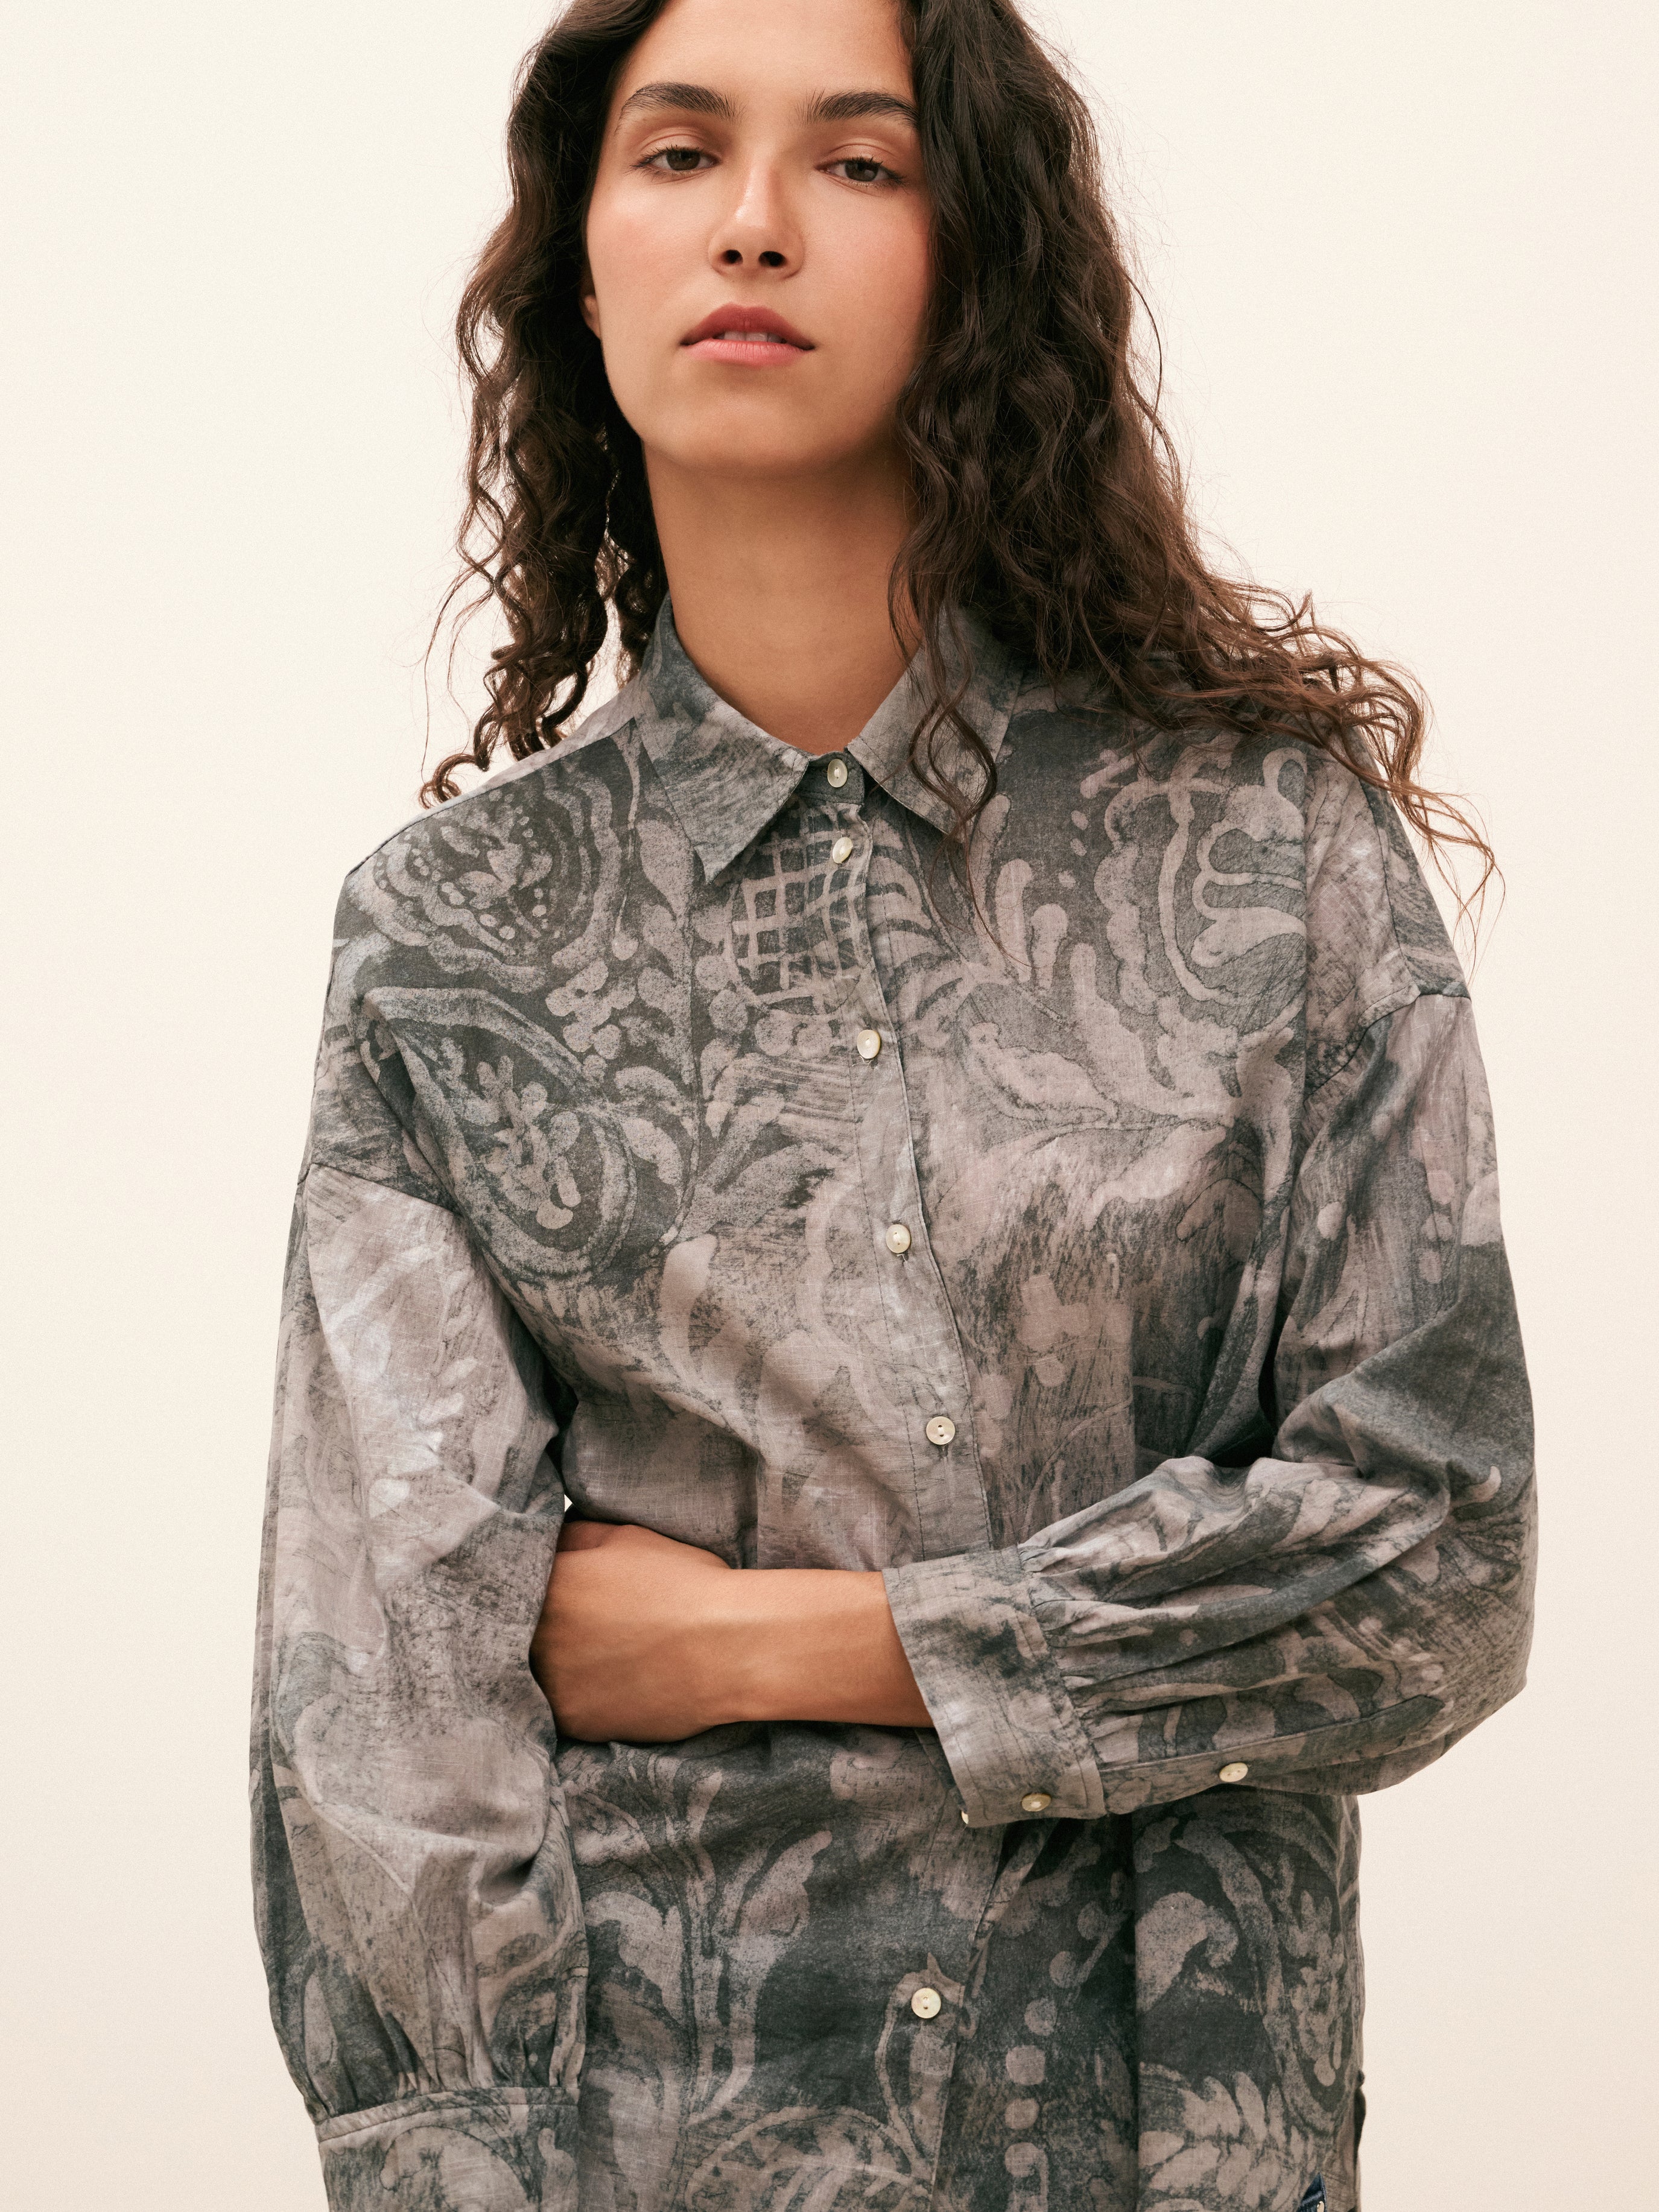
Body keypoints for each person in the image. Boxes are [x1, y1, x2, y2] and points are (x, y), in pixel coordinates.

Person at [249, 1, 1536, 2207]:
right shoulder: (452, 943)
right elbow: (384, 1721)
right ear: (580, 269)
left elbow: (1440, 1561)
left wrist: (785, 1643)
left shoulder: (1274, 863)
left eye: (859, 162)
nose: (754, 223)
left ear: (979, 266)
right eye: (679, 154)